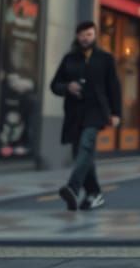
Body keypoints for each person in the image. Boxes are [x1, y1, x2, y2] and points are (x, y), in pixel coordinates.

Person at [50, 20, 121, 211]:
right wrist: (67, 87)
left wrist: (116, 113)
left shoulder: (105, 58)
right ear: (77, 36)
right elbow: (54, 85)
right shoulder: (69, 59)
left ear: (95, 35)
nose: (85, 38)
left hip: (97, 111)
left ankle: (73, 188)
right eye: (82, 34)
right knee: (81, 154)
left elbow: (114, 87)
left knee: (86, 145)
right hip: (74, 113)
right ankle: (94, 193)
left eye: (89, 34)